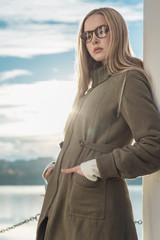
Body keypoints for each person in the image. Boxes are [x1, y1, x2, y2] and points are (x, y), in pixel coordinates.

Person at [36, 7, 160, 240]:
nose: (94, 40)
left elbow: (155, 146)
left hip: (97, 214)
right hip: (63, 204)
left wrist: (96, 167)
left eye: (102, 31)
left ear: (119, 32)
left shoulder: (128, 79)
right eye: (87, 35)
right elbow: (84, 144)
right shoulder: (89, 90)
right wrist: (58, 166)